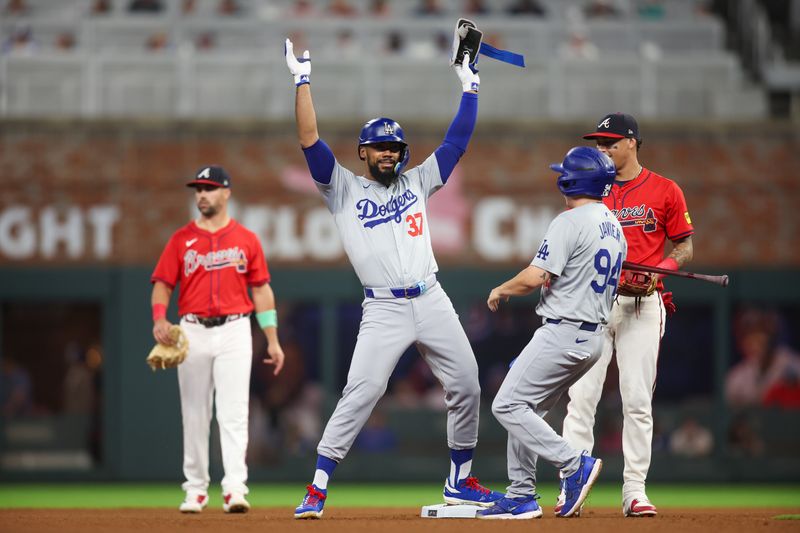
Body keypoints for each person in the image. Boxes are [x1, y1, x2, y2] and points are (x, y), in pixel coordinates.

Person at [284, 37, 501, 519]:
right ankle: (318, 486)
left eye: (395, 147)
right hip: (383, 307)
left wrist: (471, 86)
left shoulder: (419, 181)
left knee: (466, 382)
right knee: (362, 390)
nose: (388, 153)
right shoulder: (342, 188)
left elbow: (457, 143)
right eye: (380, 147)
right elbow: (309, 142)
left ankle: (460, 480)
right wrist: (302, 81)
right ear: (363, 152)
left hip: (431, 296)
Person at [476, 147, 625, 520]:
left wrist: (501, 289)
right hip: (590, 339)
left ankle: (575, 464)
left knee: (506, 405)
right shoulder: (614, 225)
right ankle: (522, 494)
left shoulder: (570, 221)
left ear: (571, 181)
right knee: (524, 409)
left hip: (564, 331)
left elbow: (537, 276)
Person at [558, 112, 695, 518]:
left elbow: (684, 247)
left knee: (637, 400)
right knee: (581, 398)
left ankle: (634, 491)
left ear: (632, 142)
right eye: (599, 144)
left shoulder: (665, 190)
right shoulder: (587, 188)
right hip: (594, 303)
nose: (602, 149)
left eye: (610, 143)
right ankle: (572, 485)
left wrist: (662, 273)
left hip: (643, 303)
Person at [151, 165, 285, 514]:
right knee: (194, 412)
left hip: (236, 329)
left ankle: (235, 489)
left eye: (209, 188)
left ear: (226, 193)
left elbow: (262, 290)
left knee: (234, 412)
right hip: (192, 329)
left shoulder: (246, 239)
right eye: (198, 189)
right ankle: (195, 490)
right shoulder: (182, 239)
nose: (202, 195)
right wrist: (159, 319)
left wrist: (271, 338)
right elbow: (163, 283)